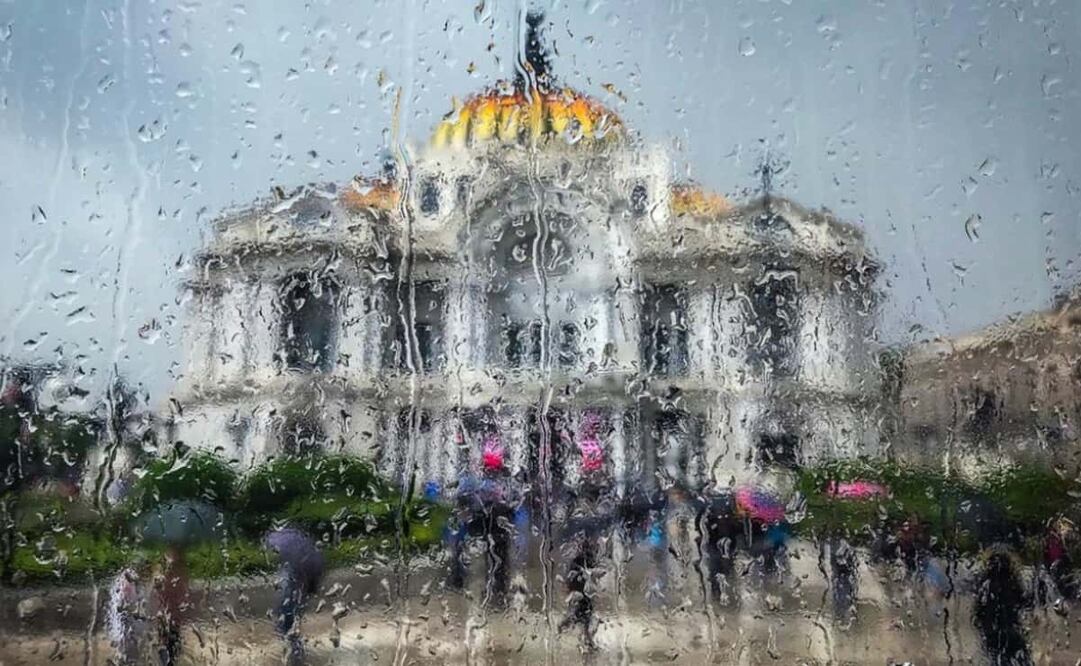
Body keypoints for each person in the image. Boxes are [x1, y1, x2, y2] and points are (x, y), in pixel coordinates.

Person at [973, 549, 1033, 666]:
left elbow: (977, 614)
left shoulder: (985, 584)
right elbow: (1025, 603)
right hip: (1012, 634)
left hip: (992, 636)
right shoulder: (1013, 582)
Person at [152, 546, 190, 666]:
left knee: (171, 648)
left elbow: (182, 598)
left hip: (173, 621)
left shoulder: (177, 576)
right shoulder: (166, 577)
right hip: (166, 620)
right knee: (166, 646)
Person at [107, 557, 148, 665]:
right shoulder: (126, 582)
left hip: (131, 618)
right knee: (127, 638)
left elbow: (138, 601)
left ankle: (128, 658)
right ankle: (127, 658)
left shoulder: (133, 583)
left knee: (129, 639)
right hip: (127, 618)